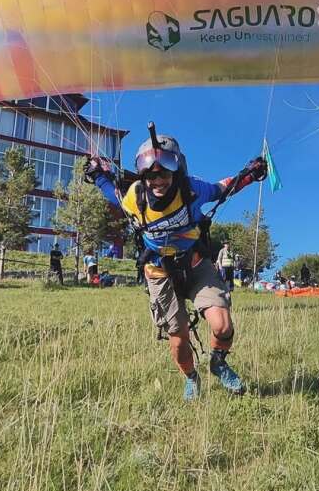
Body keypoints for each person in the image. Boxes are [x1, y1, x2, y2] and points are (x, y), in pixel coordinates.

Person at [85, 130, 266, 401]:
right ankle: (191, 377)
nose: (158, 180)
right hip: (159, 273)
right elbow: (112, 192)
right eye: (150, 174)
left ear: (178, 169)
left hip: (194, 264)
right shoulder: (135, 197)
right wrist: (96, 173)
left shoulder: (192, 189)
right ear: (143, 175)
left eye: (165, 171)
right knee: (178, 335)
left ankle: (218, 362)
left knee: (222, 324)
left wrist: (250, 174)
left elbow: (223, 188)